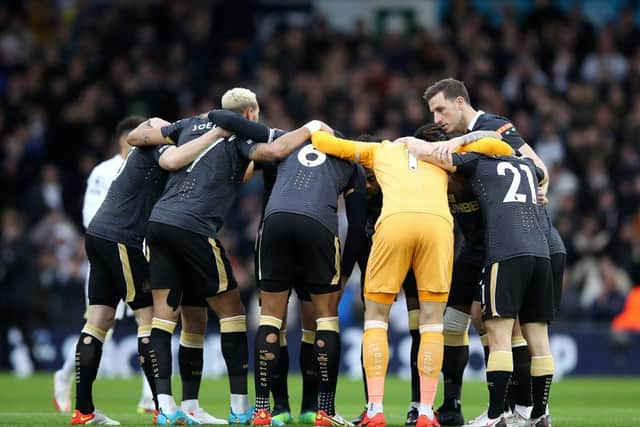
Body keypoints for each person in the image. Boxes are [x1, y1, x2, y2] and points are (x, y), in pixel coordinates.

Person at [131, 88, 318, 425]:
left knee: (166, 319)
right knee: (232, 312)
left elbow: (136, 137)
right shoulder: (240, 137)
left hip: (157, 224)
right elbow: (275, 150)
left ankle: (171, 408)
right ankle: (240, 407)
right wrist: (312, 127)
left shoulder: (188, 126)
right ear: (251, 113)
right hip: (194, 227)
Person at [309, 128, 510, 427]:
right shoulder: (442, 155)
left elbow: (324, 143)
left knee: (376, 317)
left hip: (395, 223)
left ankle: (375, 409)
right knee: (432, 323)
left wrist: (314, 129)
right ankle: (426, 412)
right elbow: (500, 147)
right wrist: (454, 143)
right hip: (438, 228)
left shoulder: (381, 150)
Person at [71, 115, 231, 425]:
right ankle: (164, 407)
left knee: (98, 320)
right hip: (122, 238)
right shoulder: (158, 149)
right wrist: (213, 135)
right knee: (150, 320)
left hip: (99, 235)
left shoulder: (138, 152)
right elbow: (173, 160)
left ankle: (84, 411)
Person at [422, 78, 550, 426]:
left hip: (501, 242)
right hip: (474, 246)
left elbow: (538, 166)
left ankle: (514, 407)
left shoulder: (492, 128)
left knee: (502, 326)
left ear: (461, 102)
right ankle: (452, 405)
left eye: (441, 109)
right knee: (454, 320)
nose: (436, 117)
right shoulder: (453, 155)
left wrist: (541, 189)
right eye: (432, 111)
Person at [246, 121, 366, 427]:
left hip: (274, 227)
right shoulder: (349, 160)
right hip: (318, 229)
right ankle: (322, 410)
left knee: (272, 318)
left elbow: (265, 195)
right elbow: (356, 226)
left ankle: (267, 409)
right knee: (324, 319)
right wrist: (344, 272)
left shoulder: (287, 148)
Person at [53, 117, 155, 415]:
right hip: (111, 252)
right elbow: (90, 217)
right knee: (107, 325)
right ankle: (64, 375)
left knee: (140, 320)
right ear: (124, 139)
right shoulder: (103, 171)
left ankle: (149, 397)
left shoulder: (148, 168)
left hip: (136, 252)